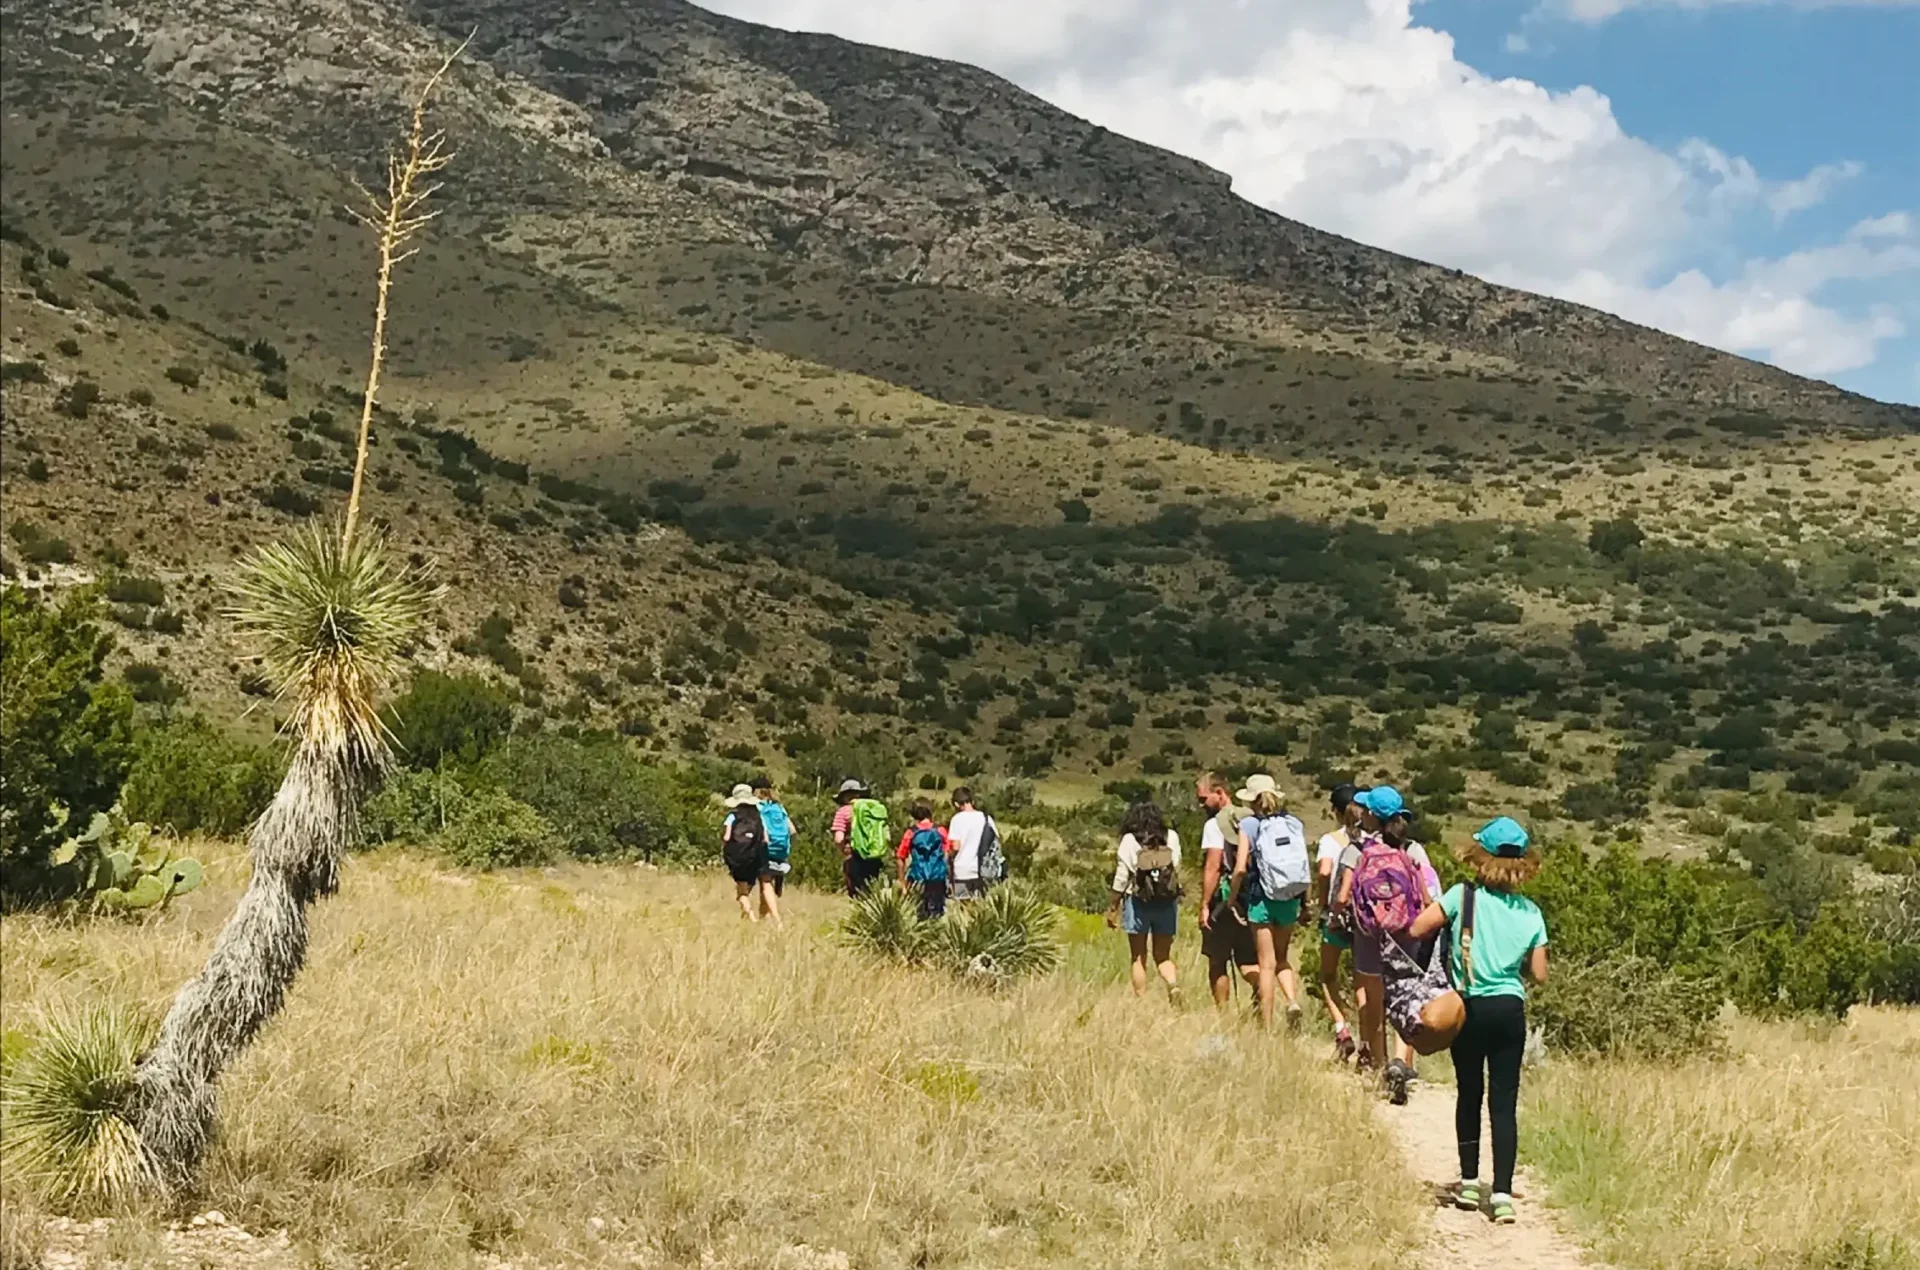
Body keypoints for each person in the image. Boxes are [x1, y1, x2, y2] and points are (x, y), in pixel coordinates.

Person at [1408, 817, 1549, 1227]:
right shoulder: (1531, 912)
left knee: (1469, 1093)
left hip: (1469, 1008)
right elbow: (1540, 974)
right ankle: (1501, 1194)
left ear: (1479, 856)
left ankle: (1469, 1183)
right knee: (1504, 1103)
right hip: (1510, 1010)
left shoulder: (1462, 897)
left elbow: (1418, 928)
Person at [1340, 784, 1425, 1102]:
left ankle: (1380, 1065)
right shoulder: (1410, 850)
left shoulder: (1359, 850)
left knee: (1374, 1002)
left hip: (1370, 935)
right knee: (1404, 1000)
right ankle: (1401, 1061)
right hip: (1405, 933)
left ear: (1370, 815)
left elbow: (1343, 896)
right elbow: (1425, 897)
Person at [1226, 776, 1308, 1030]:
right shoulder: (1293, 823)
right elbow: (1302, 864)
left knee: (1266, 965)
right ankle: (1292, 1000)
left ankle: (1268, 1026)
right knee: (1282, 957)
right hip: (1290, 898)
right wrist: (1305, 903)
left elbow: (1240, 868)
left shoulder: (1249, 825)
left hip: (1262, 899)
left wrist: (1232, 899)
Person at [1106, 800, 1183, 1002]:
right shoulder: (1171, 836)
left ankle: (1141, 1000)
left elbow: (1121, 877)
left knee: (1138, 956)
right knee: (1163, 956)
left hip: (1137, 901)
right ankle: (1173, 984)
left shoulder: (1129, 840)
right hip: (1166, 901)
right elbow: (1176, 867)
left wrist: (1113, 907)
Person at [1194, 772, 1259, 1008]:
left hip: (1223, 901)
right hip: (1251, 899)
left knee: (1218, 960)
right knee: (1249, 960)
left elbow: (1213, 866)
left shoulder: (1215, 824)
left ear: (1220, 793)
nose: (1201, 805)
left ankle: (1222, 1015)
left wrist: (1204, 905)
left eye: (1204, 799)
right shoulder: (1251, 818)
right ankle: (1261, 992)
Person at [1315, 783, 1366, 1061]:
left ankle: (1342, 1029)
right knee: (1363, 980)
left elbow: (1324, 872)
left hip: (1337, 916)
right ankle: (1368, 1041)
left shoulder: (1330, 840)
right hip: (1366, 918)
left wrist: (1323, 904)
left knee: (1328, 975)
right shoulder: (1374, 840)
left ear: (1336, 811)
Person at [896, 800, 953, 919]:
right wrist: (950, 877)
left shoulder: (910, 833)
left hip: (918, 876)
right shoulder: (940, 831)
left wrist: (902, 882)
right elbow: (948, 854)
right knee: (937, 911)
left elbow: (901, 857)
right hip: (937, 876)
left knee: (919, 911)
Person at [832, 779, 889, 897]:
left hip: (854, 856)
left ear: (844, 796)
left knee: (857, 893)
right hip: (875, 856)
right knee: (872, 892)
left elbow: (839, 838)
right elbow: (887, 836)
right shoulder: (873, 809)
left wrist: (843, 850)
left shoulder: (843, 812)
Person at [721, 785, 769, 922]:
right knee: (748, 887)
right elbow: (765, 839)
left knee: (742, 893)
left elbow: (726, 837)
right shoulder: (758, 817)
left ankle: (752, 918)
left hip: (738, 858)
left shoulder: (732, 816)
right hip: (755, 857)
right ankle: (746, 917)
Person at [946, 787, 999, 902]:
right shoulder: (986, 818)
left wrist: (948, 858)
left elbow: (956, 846)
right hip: (982, 870)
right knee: (979, 905)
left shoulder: (956, 819)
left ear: (956, 804)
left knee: (963, 904)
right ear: (972, 801)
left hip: (962, 871)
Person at [750, 776, 791, 926]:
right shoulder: (779, 807)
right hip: (781, 850)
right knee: (766, 884)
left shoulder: (758, 807)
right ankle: (764, 919)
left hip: (765, 849)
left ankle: (777, 920)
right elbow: (792, 830)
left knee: (766, 883)